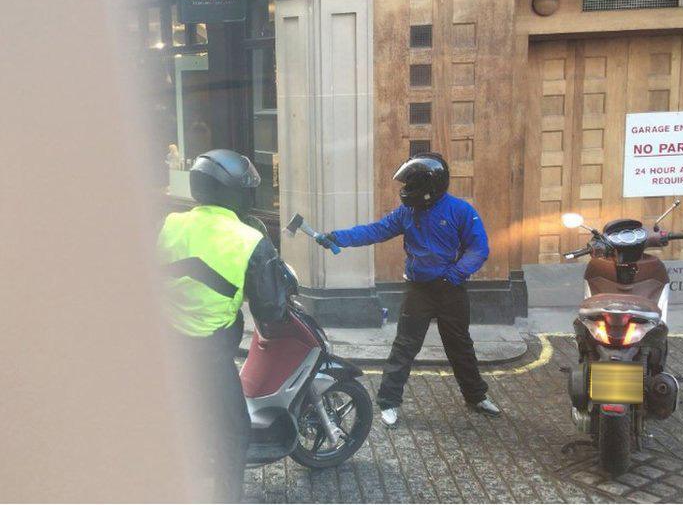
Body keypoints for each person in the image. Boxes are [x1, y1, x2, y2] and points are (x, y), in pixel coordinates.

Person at [316, 152, 501, 427]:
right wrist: (339, 237)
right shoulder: (407, 212)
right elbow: (375, 230)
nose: (406, 191)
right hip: (419, 290)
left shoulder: (460, 211)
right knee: (404, 347)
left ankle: (476, 397)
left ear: (431, 187)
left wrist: (455, 274)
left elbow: (478, 249)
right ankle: (388, 402)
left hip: (451, 289)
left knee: (460, 346)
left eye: (412, 185)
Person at [157, 149, 289, 502]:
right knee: (234, 432)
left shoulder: (171, 222)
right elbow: (272, 311)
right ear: (236, 192)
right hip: (209, 350)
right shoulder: (250, 240)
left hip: (167, 339)